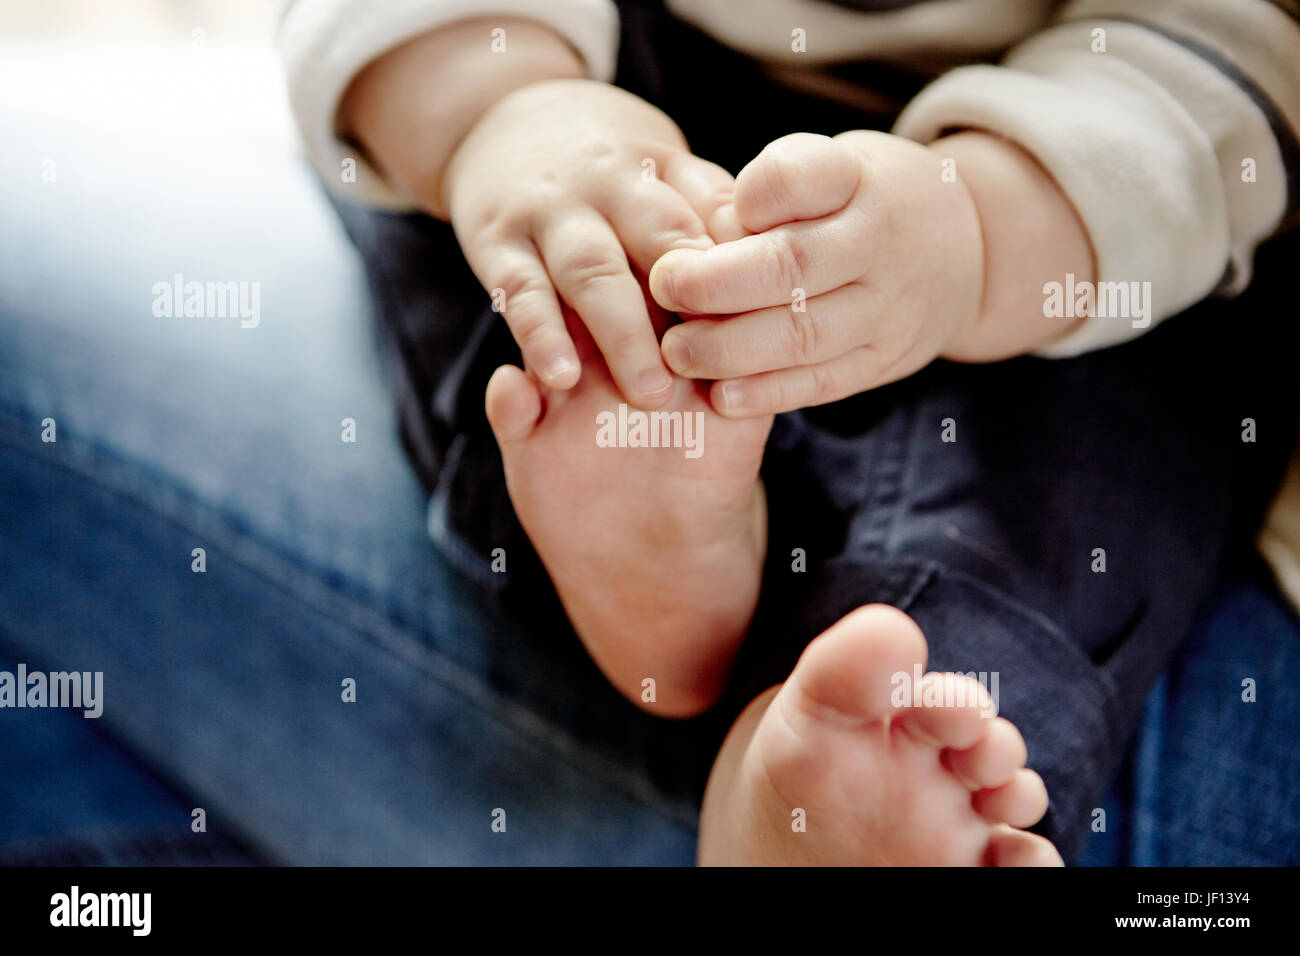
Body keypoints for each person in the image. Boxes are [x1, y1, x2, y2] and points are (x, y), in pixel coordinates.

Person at [274, 0, 1300, 863]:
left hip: (1053, 192)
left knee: (1104, 429)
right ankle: (670, 573)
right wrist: (510, 111)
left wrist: (983, 230)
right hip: (613, 82)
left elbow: (1227, 50)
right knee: (543, 254)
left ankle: (817, 779)